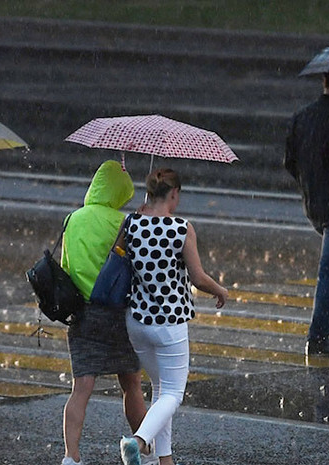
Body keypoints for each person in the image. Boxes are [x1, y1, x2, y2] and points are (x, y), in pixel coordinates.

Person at [119, 169, 228, 465]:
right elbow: (198, 277)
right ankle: (138, 441)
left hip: (137, 322)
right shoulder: (180, 228)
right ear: (174, 194)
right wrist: (220, 290)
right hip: (169, 323)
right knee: (173, 394)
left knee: (161, 392)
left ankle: (163, 461)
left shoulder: (130, 223)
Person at [59, 160, 150, 465]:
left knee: (81, 388)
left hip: (82, 314)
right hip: (118, 315)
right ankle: (143, 450)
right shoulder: (123, 222)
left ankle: (71, 456)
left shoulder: (73, 219)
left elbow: (66, 267)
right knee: (131, 385)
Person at [284, 68, 329, 356]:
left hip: (313, 200)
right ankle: (318, 335)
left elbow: (289, 161)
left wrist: (309, 181)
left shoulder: (302, 116)